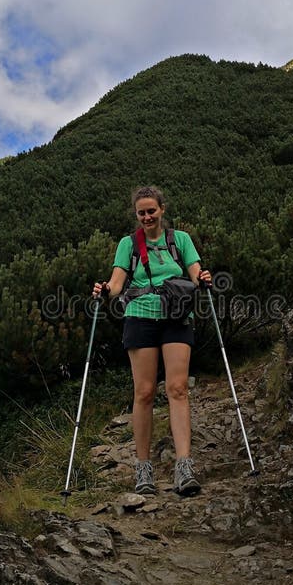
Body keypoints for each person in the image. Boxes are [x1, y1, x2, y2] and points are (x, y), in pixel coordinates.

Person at [92, 185, 211, 497]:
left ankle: (184, 467)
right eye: (141, 213)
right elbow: (117, 283)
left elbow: (195, 272)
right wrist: (106, 290)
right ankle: (143, 470)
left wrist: (202, 278)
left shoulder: (180, 239)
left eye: (151, 211)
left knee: (178, 388)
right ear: (136, 214)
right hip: (140, 317)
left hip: (176, 316)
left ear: (162, 210)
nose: (146, 217)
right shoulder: (128, 244)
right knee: (144, 392)